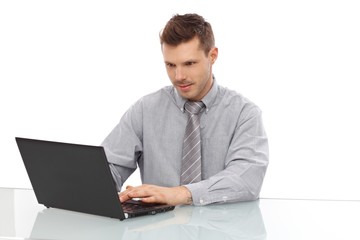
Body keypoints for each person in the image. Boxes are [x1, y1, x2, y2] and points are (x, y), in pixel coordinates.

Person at [101, 13, 269, 206]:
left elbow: (246, 179)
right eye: (170, 65)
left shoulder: (244, 114)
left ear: (212, 56)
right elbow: (109, 169)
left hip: (221, 231)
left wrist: (182, 194)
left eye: (189, 63)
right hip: (159, 231)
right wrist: (89, 181)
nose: (178, 76)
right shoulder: (144, 110)